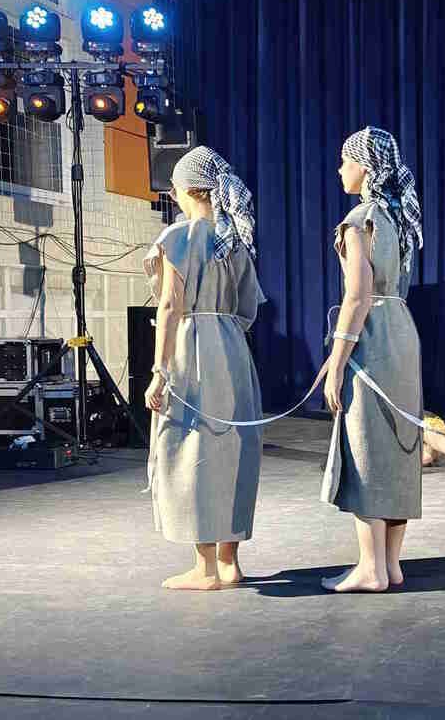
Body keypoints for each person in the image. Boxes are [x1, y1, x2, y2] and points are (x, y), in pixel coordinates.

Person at [143, 146, 265, 591]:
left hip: (191, 346)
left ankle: (206, 569)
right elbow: (249, 308)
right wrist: (224, 330)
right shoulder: (236, 240)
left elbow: (170, 306)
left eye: (175, 187)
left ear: (190, 189)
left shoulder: (179, 235)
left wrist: (159, 371)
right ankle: (230, 562)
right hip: (232, 349)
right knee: (231, 449)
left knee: (190, 448)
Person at [320, 127, 423, 593]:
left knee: (366, 447)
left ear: (363, 167)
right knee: (397, 446)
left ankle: (370, 568)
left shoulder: (359, 219)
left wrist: (337, 361)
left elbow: (358, 296)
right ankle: (391, 564)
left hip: (374, 337)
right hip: (402, 333)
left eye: (345, 161)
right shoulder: (398, 219)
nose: (340, 169)